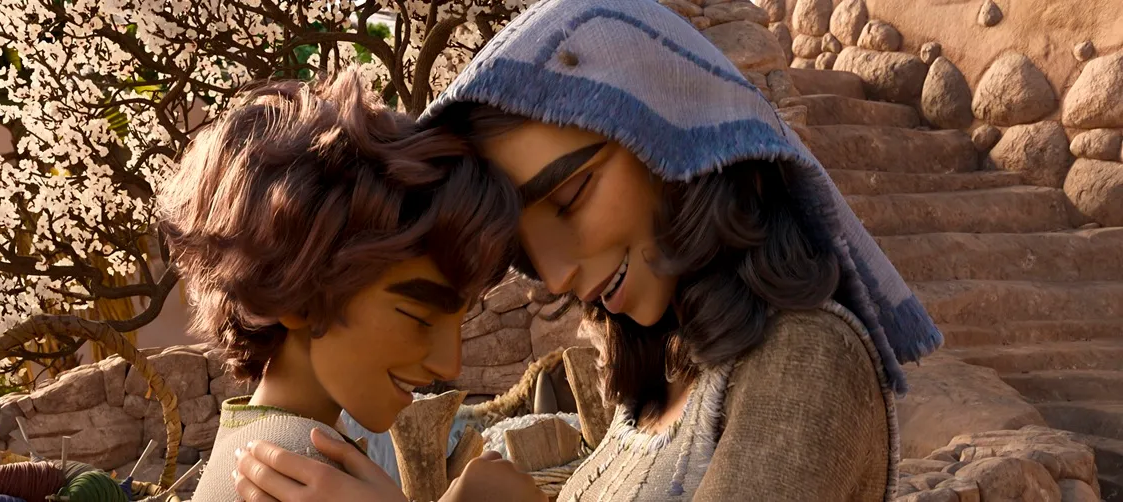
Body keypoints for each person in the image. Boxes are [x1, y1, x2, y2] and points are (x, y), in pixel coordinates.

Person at [231, 0, 944, 500]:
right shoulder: (662, 382)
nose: (554, 271)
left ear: (668, 135)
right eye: (524, 243)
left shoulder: (806, 358)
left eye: (570, 197)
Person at [156, 69, 544, 502]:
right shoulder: (295, 469)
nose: (449, 365)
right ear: (298, 297)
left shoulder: (261, 442)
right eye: (419, 317)